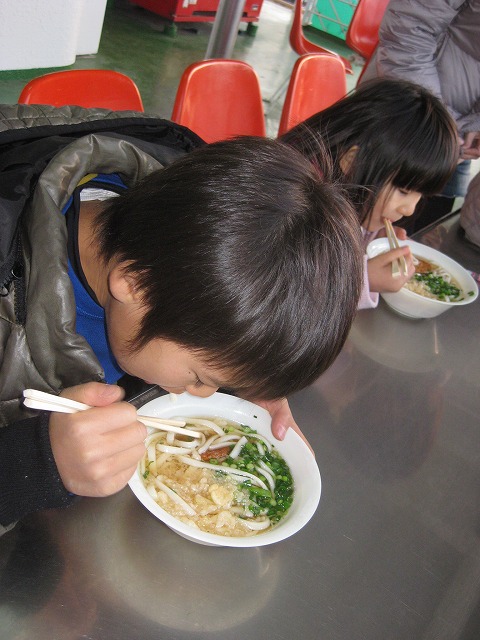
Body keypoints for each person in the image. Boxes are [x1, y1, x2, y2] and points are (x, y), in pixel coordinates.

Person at [0, 103, 364, 535]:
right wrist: (36, 463)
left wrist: (249, 374)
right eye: (199, 378)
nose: (205, 394)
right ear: (135, 285)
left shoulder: (187, 243)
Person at [280, 78, 459, 309]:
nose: (409, 209)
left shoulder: (346, 183)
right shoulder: (296, 205)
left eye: (421, 196)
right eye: (403, 191)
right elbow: (288, 298)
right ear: (352, 161)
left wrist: (373, 239)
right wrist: (363, 281)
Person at [360, 0, 480, 233]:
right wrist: (437, 123)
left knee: (405, 228)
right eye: (404, 192)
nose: (409, 209)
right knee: (353, 212)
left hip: (455, 137)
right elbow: (408, 26)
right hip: (405, 115)